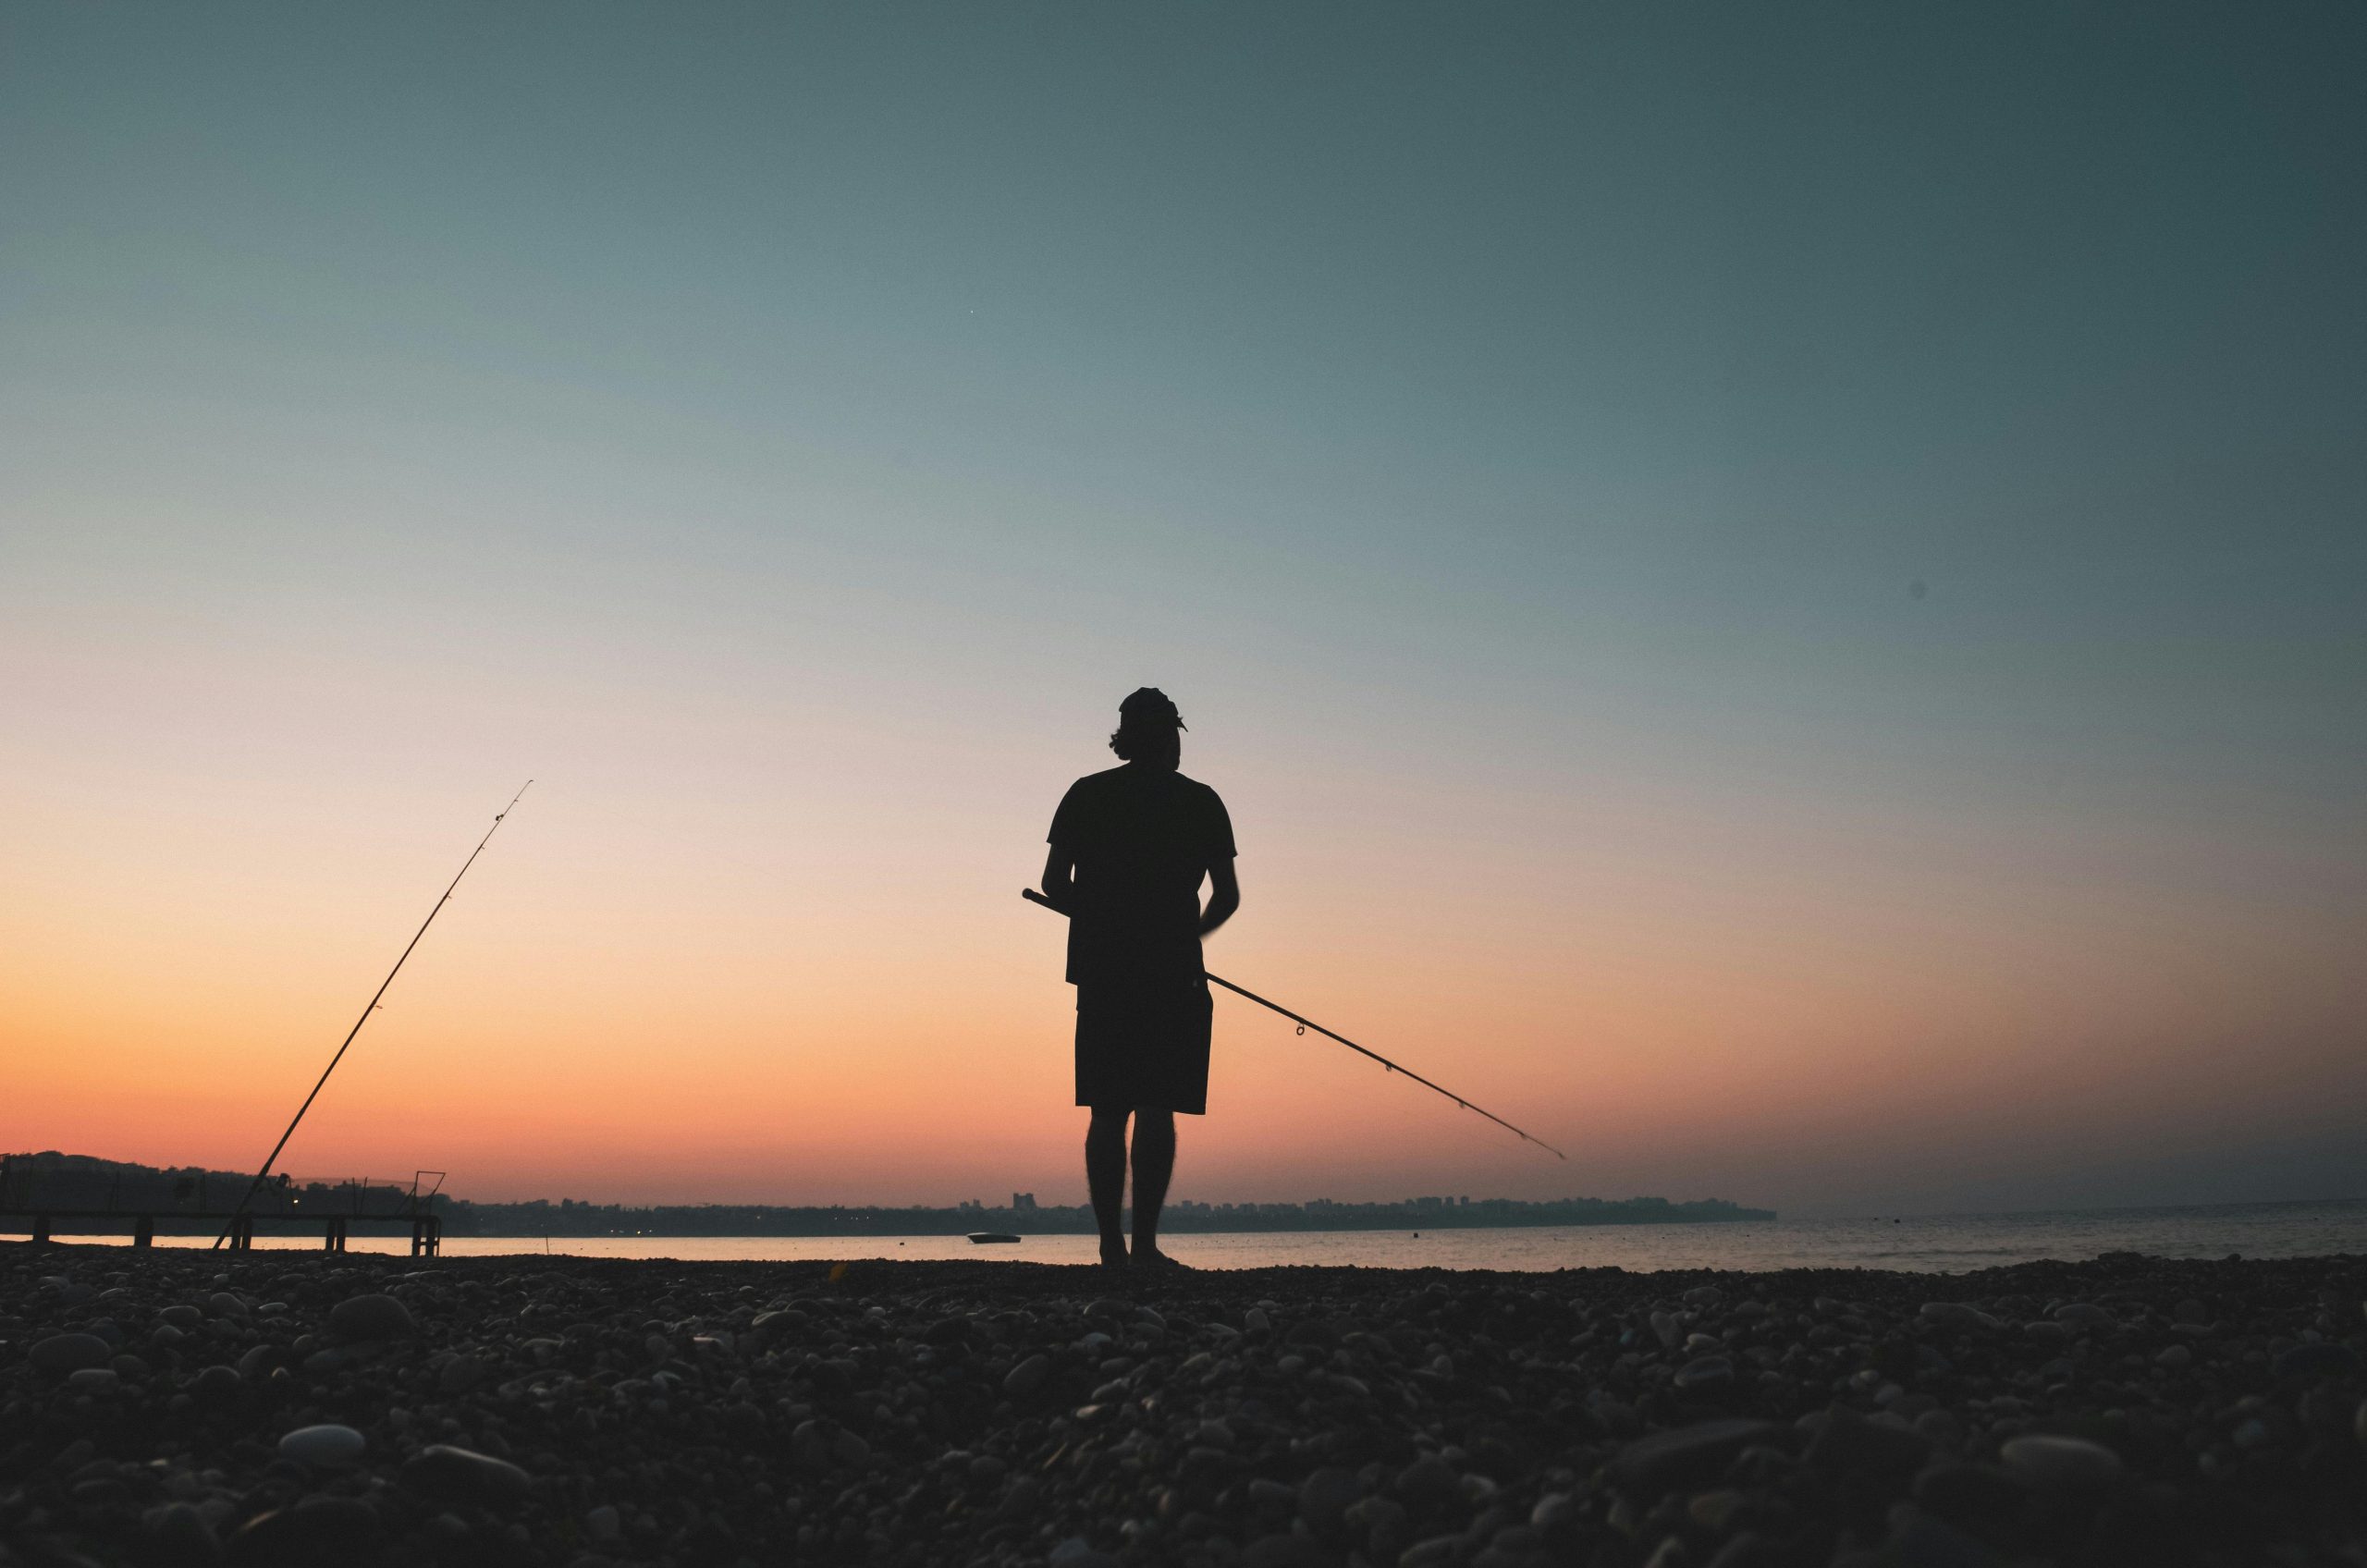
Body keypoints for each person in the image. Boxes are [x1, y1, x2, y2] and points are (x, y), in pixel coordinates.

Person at [1039, 688, 1239, 1270]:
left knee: (1107, 1108)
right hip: (1173, 975)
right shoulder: (1201, 802)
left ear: (1125, 738)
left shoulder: (1087, 794)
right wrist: (1185, 941)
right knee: (1157, 1105)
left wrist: (1106, 920)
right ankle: (1145, 1247)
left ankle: (1111, 1249)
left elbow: (1054, 883)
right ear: (1169, 736)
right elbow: (1225, 897)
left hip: (1102, 970)